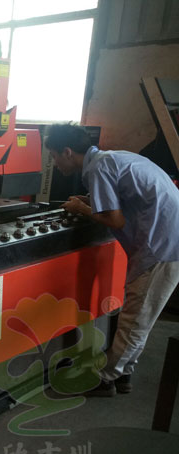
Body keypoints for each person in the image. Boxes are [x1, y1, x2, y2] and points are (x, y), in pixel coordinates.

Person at [45, 123, 179, 397]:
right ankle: (124, 374)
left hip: (163, 246)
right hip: (165, 238)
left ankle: (105, 379)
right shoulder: (110, 158)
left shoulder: (98, 168)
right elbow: (121, 201)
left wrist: (81, 207)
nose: (55, 164)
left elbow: (115, 220)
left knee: (136, 318)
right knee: (138, 315)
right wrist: (88, 201)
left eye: (55, 156)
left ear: (67, 152)